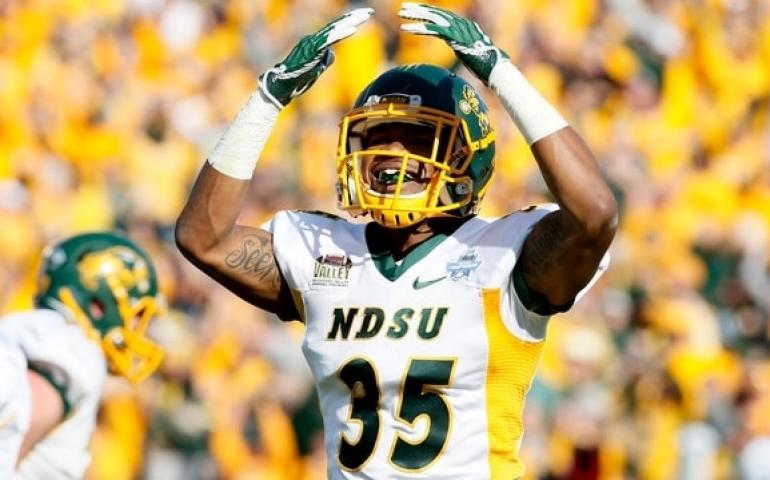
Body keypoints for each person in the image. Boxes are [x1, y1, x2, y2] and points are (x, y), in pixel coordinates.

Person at [175, 3, 617, 478]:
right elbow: (203, 238)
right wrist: (269, 98)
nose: (390, 155)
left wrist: (501, 74)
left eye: (417, 139)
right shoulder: (324, 252)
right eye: (377, 139)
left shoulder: (501, 253)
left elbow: (594, 213)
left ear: (466, 158)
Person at [0, 231, 165, 479]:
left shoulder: (38, 329)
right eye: (137, 315)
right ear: (99, 305)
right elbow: (12, 432)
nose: (139, 329)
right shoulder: (74, 348)